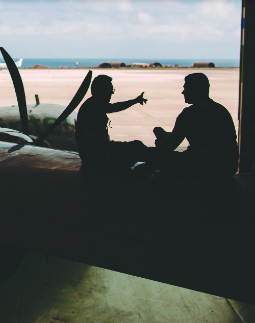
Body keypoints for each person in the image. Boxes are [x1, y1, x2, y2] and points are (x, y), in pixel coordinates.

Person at [146, 73, 239, 182]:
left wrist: (160, 140)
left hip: (203, 166)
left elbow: (168, 147)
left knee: (150, 162)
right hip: (228, 168)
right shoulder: (221, 110)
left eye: (186, 88)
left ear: (195, 89)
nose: (183, 92)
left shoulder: (189, 114)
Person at [75, 74, 148, 175]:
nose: (111, 94)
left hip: (93, 153)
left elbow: (113, 107)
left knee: (136, 147)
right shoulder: (93, 106)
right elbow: (114, 107)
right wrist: (134, 101)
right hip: (96, 154)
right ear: (101, 92)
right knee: (137, 147)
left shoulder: (91, 104)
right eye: (110, 90)